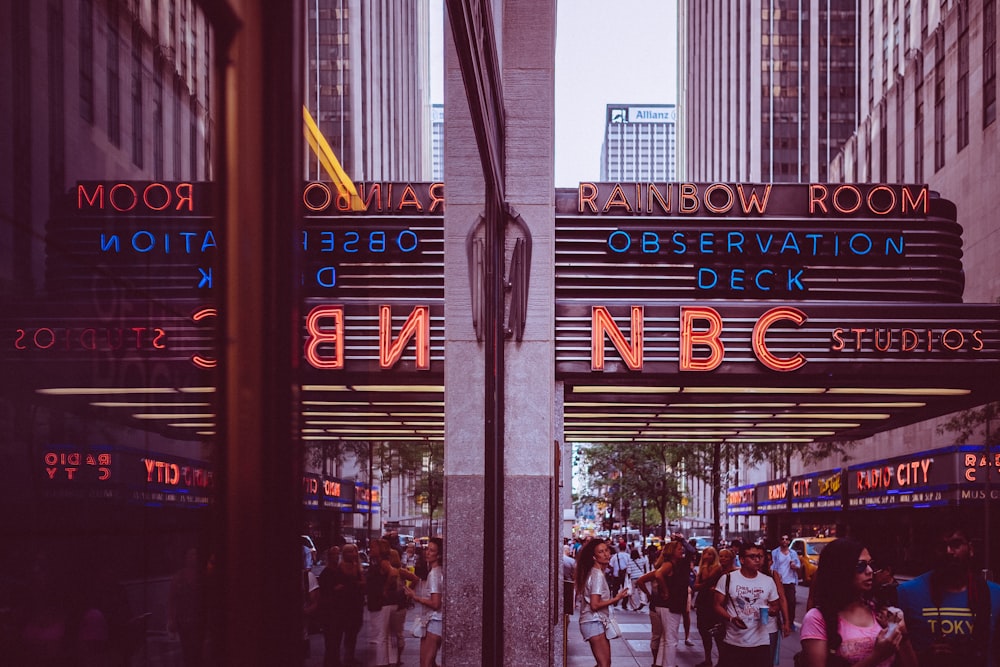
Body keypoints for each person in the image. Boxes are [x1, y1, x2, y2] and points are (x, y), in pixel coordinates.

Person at [799, 538, 916, 667]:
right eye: (861, 566)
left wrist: (903, 634)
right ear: (840, 570)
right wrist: (876, 656)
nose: (870, 571)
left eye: (871, 564)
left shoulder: (880, 612)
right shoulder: (817, 619)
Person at [897, 525, 1000, 667]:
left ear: (971, 549)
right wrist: (923, 657)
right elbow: (893, 657)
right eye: (941, 546)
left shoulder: (994, 594)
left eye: (956, 544)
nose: (949, 552)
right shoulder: (906, 593)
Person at [712, 541, 779, 667]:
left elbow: (775, 605)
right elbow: (717, 605)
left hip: (760, 642)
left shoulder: (768, 581)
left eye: (759, 556)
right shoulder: (728, 579)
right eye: (752, 557)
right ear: (742, 560)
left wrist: (770, 611)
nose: (757, 560)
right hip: (733, 642)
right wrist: (731, 618)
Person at [575, 538, 629, 667]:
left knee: (604, 663)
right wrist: (616, 599)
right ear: (594, 556)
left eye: (606, 550)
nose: (606, 554)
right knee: (604, 664)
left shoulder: (595, 572)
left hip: (594, 621)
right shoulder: (597, 575)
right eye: (601, 552)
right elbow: (595, 604)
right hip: (593, 621)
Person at [636, 539, 687, 667]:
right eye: (679, 549)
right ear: (672, 551)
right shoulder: (669, 564)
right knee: (671, 639)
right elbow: (658, 575)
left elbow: (647, 578)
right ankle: (668, 664)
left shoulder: (668, 564)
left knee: (665, 638)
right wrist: (665, 591)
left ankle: (660, 663)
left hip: (662, 606)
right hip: (669, 606)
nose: (682, 551)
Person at [318, 544, 365, 667]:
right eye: (350, 552)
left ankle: (343, 659)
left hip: (353, 606)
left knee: (346, 635)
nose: (353, 554)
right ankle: (334, 661)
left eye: (354, 551)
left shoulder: (356, 568)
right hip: (341, 608)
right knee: (334, 638)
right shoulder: (335, 570)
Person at [404, 537, 444, 667]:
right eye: (427, 549)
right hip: (433, 621)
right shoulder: (437, 571)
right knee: (428, 662)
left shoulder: (434, 574)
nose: (427, 552)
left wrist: (415, 597)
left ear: (438, 555)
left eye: (432, 551)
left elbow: (436, 603)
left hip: (435, 621)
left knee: (426, 663)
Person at [167, 547, 206, 667]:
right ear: (185, 558)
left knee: (199, 650)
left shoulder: (203, 576)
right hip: (184, 621)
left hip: (199, 620)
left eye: (195, 554)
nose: (193, 557)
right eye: (190, 555)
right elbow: (172, 600)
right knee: (187, 651)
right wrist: (172, 620)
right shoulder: (178, 578)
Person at [693, 546, 724, 667]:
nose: (707, 556)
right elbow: (696, 586)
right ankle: (708, 659)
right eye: (706, 553)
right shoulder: (702, 568)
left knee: (716, 633)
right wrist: (702, 585)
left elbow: (705, 579)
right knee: (704, 632)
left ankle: (721, 660)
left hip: (712, 603)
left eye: (710, 554)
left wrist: (704, 565)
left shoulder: (717, 568)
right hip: (702, 602)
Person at [761, 550, 792, 666]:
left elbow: (782, 598)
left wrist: (786, 622)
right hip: (751, 626)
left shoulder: (774, 575)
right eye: (763, 559)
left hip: (770, 624)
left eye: (768, 560)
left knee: (769, 659)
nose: (764, 562)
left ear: (771, 562)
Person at [771, 534, 801, 629]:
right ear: (780, 541)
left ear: (789, 541)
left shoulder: (793, 553)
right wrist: (775, 574)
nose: (784, 541)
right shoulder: (775, 552)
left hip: (790, 581)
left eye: (786, 539)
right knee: (779, 603)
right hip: (779, 582)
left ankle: (790, 622)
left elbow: (798, 565)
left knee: (791, 602)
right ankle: (780, 622)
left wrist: (794, 566)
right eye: (782, 539)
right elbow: (771, 565)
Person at [610, 542, 631, 608]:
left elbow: (611, 565)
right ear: (625, 548)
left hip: (616, 574)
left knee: (615, 589)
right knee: (625, 589)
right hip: (625, 575)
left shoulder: (615, 556)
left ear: (619, 548)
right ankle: (624, 604)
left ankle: (615, 602)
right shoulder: (628, 556)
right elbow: (630, 565)